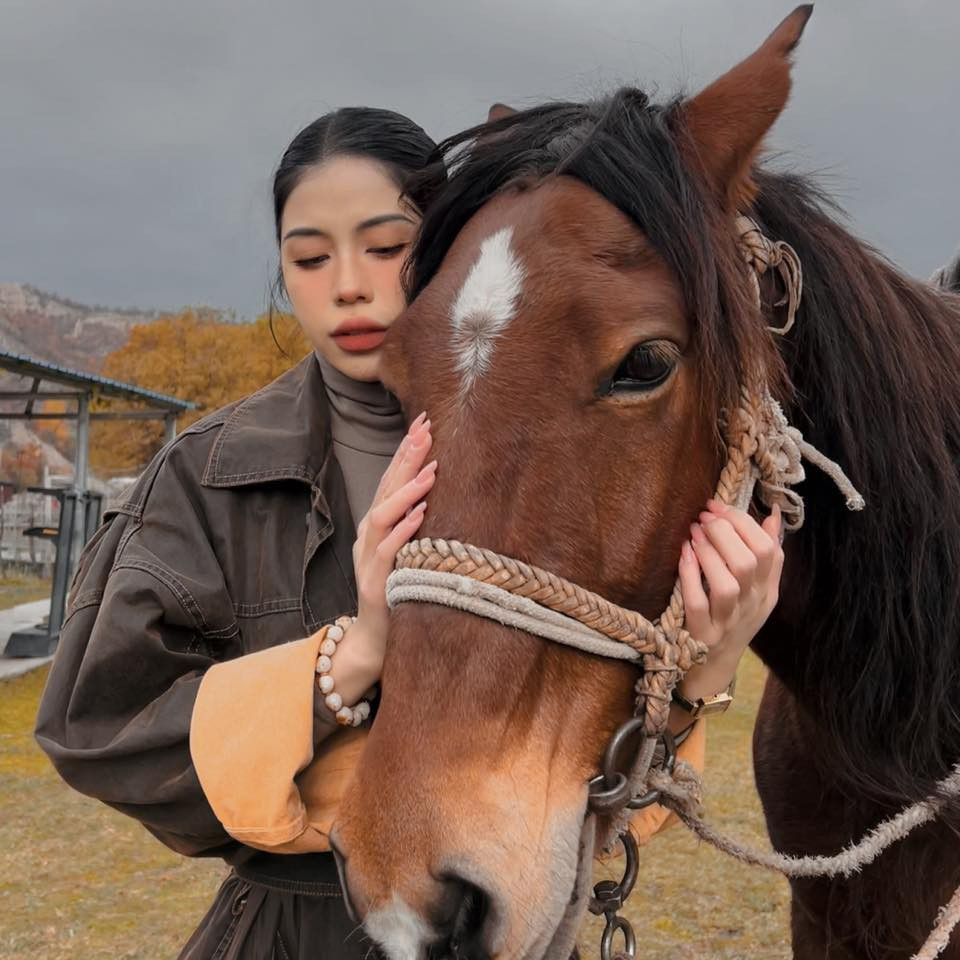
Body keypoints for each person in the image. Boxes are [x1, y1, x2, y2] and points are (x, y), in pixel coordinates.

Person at [34, 106, 784, 959]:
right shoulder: (207, 474)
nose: (348, 285)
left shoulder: (550, 455)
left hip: (499, 931)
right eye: (308, 258)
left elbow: (590, 808)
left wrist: (699, 679)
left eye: (388, 247)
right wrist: (349, 658)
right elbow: (96, 732)